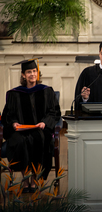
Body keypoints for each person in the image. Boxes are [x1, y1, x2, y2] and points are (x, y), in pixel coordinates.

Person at [2, 58, 61, 193]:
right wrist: (13, 123)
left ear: (38, 73)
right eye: (29, 72)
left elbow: (54, 112)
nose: (32, 74)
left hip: (40, 129)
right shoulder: (15, 93)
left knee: (37, 139)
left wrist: (44, 122)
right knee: (20, 140)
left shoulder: (47, 91)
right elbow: (8, 115)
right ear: (23, 75)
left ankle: (34, 180)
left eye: (34, 71)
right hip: (21, 130)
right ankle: (25, 180)